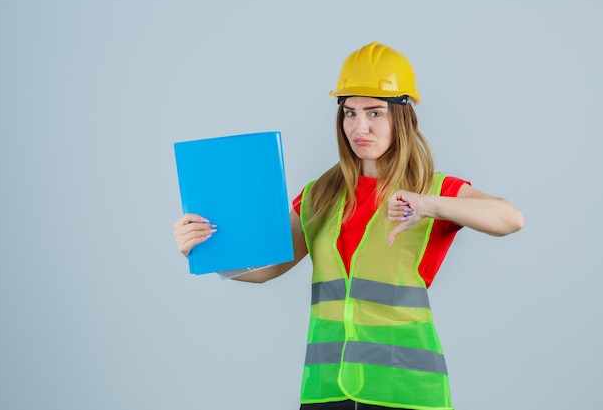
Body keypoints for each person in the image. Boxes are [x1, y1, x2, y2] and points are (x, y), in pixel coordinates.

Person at [173, 41, 524, 410]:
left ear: (402, 117)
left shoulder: (432, 190)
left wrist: (429, 205)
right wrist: (203, 248)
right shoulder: (318, 195)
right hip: (326, 391)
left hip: (406, 393)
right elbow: (267, 267)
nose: (360, 128)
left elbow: (510, 218)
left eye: (374, 113)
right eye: (349, 113)